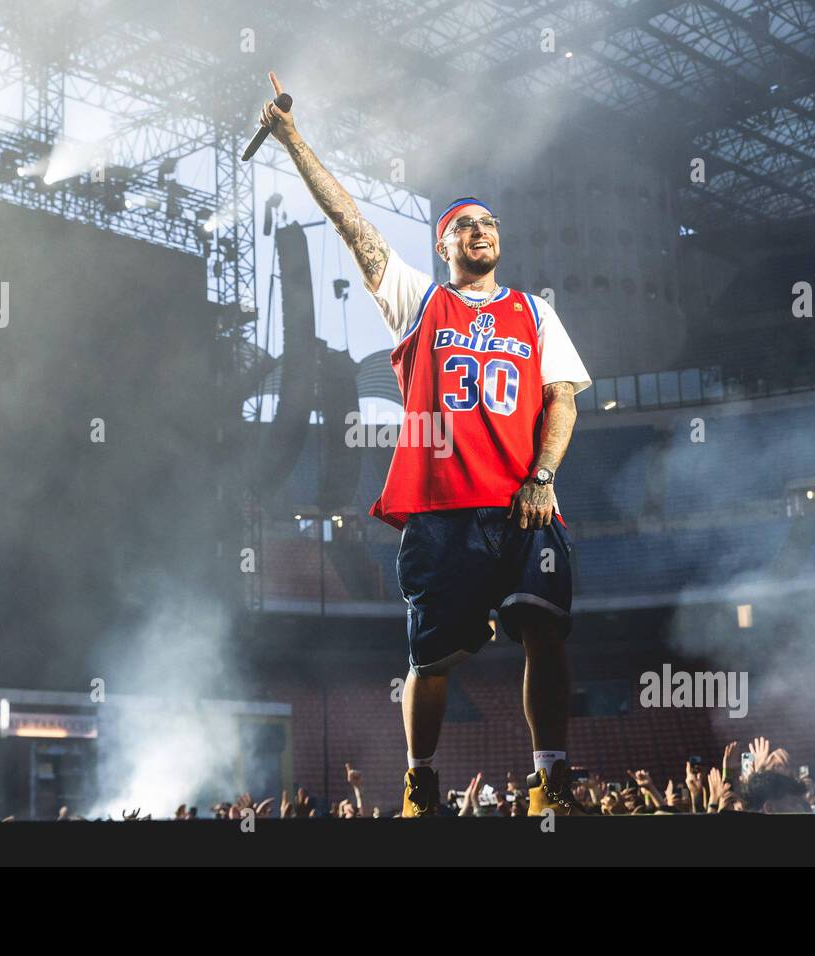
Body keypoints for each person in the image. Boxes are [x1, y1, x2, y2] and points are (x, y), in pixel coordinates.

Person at [257, 71, 592, 817]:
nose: (483, 234)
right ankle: (422, 782)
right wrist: (292, 138)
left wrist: (542, 473)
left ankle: (550, 778)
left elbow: (561, 401)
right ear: (443, 245)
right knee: (431, 658)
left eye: (490, 225)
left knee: (546, 628)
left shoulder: (536, 313)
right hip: (443, 510)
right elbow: (350, 222)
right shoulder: (417, 299)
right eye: (467, 226)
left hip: (523, 501)